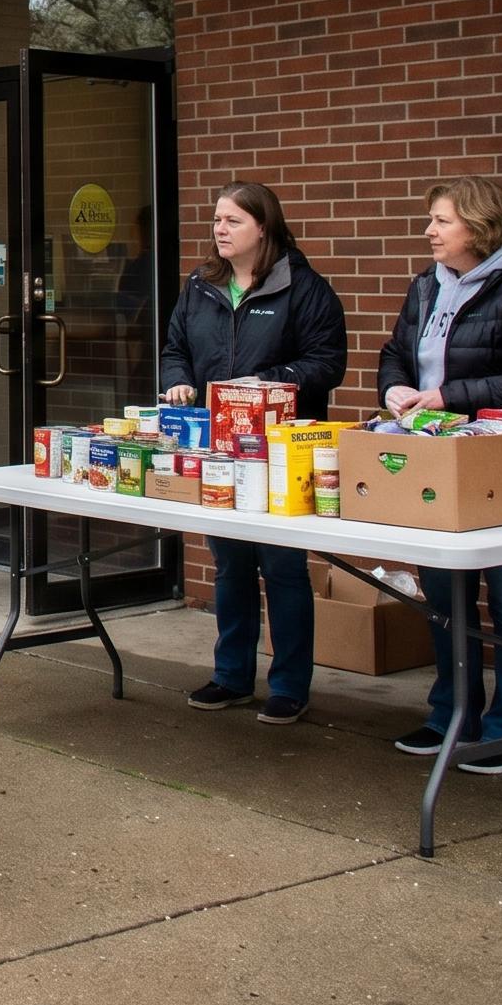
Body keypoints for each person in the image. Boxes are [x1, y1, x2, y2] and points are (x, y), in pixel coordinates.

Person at [377, 176, 502, 775]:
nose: (429, 231)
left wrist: (447, 395)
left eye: (442, 221)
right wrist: (395, 388)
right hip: (439, 462)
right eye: (430, 219)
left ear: (480, 227)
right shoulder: (424, 288)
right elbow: (396, 351)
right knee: (445, 596)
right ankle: (453, 714)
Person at [159, 180, 346, 728]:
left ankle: (289, 685)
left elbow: (326, 362)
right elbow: (175, 349)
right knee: (231, 564)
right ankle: (232, 677)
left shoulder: (304, 288)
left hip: (282, 454)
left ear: (263, 227)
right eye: (216, 220)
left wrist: (266, 382)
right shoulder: (200, 285)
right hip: (219, 448)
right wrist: (177, 383)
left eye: (232, 221)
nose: (219, 229)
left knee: (283, 567)